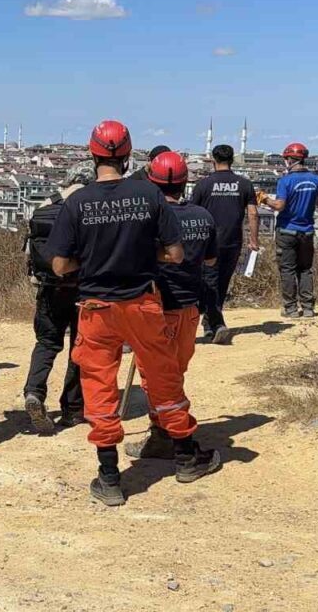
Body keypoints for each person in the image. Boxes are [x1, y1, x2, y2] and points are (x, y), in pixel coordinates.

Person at [48, 121, 220, 507]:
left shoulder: (77, 202)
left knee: (99, 385)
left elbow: (59, 265)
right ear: (127, 156)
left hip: (96, 307)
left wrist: (92, 260)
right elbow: (175, 254)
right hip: (143, 303)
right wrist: (142, 255)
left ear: (93, 155)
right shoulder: (148, 194)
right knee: (163, 379)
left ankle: (109, 476)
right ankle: (185, 457)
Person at [126, 152, 219, 460]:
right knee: (175, 373)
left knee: (154, 377)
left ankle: (165, 435)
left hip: (155, 308)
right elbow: (211, 260)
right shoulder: (203, 216)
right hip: (189, 308)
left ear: (152, 182)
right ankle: (167, 431)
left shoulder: (148, 217)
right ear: (185, 182)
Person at [21, 166, 91, 433]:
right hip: (82, 288)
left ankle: (34, 392)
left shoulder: (44, 207)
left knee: (47, 343)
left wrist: (36, 279)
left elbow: (30, 252)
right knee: (79, 347)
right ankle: (72, 409)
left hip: (49, 287)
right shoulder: (89, 207)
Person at [189, 144, 260, 344]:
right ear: (232, 160)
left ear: (213, 161)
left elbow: (191, 213)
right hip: (233, 241)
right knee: (221, 282)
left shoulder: (203, 185)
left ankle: (212, 323)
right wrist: (254, 240)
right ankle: (214, 323)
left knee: (210, 281)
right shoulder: (244, 184)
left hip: (207, 243)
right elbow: (253, 214)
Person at [264, 143, 318, 318]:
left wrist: (264, 199)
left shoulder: (285, 181)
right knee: (305, 269)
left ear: (290, 160)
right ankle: (308, 308)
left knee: (287, 270)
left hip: (287, 230)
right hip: (307, 231)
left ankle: (290, 308)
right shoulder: (315, 180)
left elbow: (279, 205)